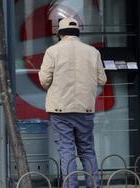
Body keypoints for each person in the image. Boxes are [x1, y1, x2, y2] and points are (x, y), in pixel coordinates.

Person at [38, 17, 107, 188]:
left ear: (60, 34)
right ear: (78, 33)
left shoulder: (52, 51)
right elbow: (102, 79)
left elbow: (44, 80)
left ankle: (71, 186)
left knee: (66, 149)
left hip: (60, 109)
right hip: (85, 108)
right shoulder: (93, 52)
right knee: (87, 149)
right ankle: (94, 185)